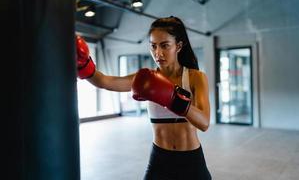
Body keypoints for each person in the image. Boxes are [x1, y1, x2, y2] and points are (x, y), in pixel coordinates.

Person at [76, 16, 212, 180]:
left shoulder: (195, 77)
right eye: (153, 46)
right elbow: (105, 81)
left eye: (164, 46)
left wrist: (172, 98)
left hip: (191, 161)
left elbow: (204, 123)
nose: (158, 53)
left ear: (179, 46)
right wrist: (84, 65)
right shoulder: (147, 79)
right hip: (159, 159)